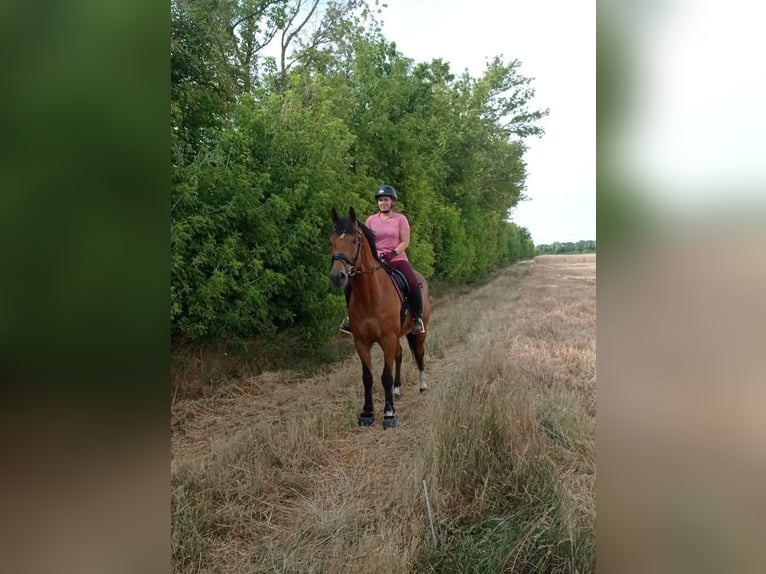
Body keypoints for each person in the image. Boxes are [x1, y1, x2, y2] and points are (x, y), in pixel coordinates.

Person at [340, 184, 426, 334]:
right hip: (375, 261)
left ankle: (417, 318)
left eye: (386, 200)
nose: (383, 203)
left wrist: (392, 253)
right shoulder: (371, 220)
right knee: (350, 282)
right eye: (380, 200)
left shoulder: (400, 219)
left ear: (392, 202)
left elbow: (405, 241)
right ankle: (350, 318)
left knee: (413, 282)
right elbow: (365, 241)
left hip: (396, 259)